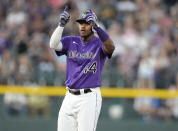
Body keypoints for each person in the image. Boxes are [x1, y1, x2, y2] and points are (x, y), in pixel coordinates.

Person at [49, 6, 115, 131]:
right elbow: (53, 44)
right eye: (80, 23)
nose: (83, 26)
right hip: (69, 96)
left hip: (89, 97)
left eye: (86, 23)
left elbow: (111, 47)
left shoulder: (98, 43)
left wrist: (97, 27)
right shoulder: (71, 41)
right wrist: (61, 25)